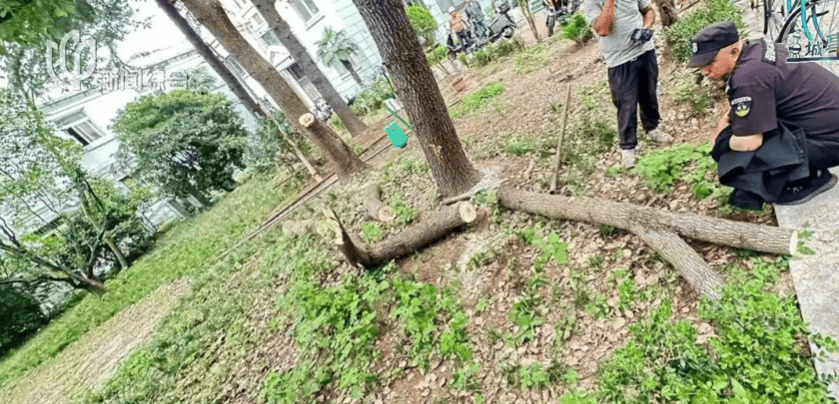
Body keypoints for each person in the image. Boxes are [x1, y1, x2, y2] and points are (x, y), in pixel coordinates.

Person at [690, 21, 839, 206]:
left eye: (710, 62)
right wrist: (725, 122)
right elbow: (750, 99)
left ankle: (806, 180)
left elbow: (749, 143)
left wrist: (720, 143)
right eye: (700, 65)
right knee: (743, 127)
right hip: (829, 122)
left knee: (736, 150)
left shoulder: (747, 78)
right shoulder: (757, 49)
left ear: (733, 52)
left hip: (832, 141)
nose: (705, 71)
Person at [584, 0, 671, 168]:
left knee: (649, 93)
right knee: (625, 104)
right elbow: (603, 30)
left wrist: (646, 27)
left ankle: (653, 128)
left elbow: (648, 10)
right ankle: (628, 147)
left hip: (645, 50)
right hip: (619, 60)